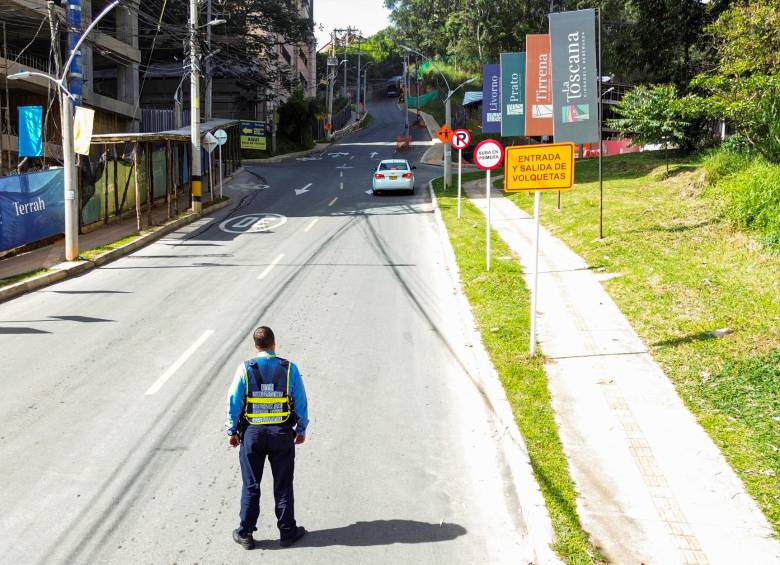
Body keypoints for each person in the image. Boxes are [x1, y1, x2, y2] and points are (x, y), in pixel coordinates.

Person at [225, 326, 309, 550]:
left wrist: (232, 431)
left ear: (255, 346)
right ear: (275, 343)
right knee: (283, 485)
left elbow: (234, 401)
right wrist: (301, 430)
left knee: (251, 485)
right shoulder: (289, 368)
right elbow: (300, 401)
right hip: (281, 434)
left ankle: (245, 533)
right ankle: (287, 532)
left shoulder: (245, 369)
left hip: (252, 434)